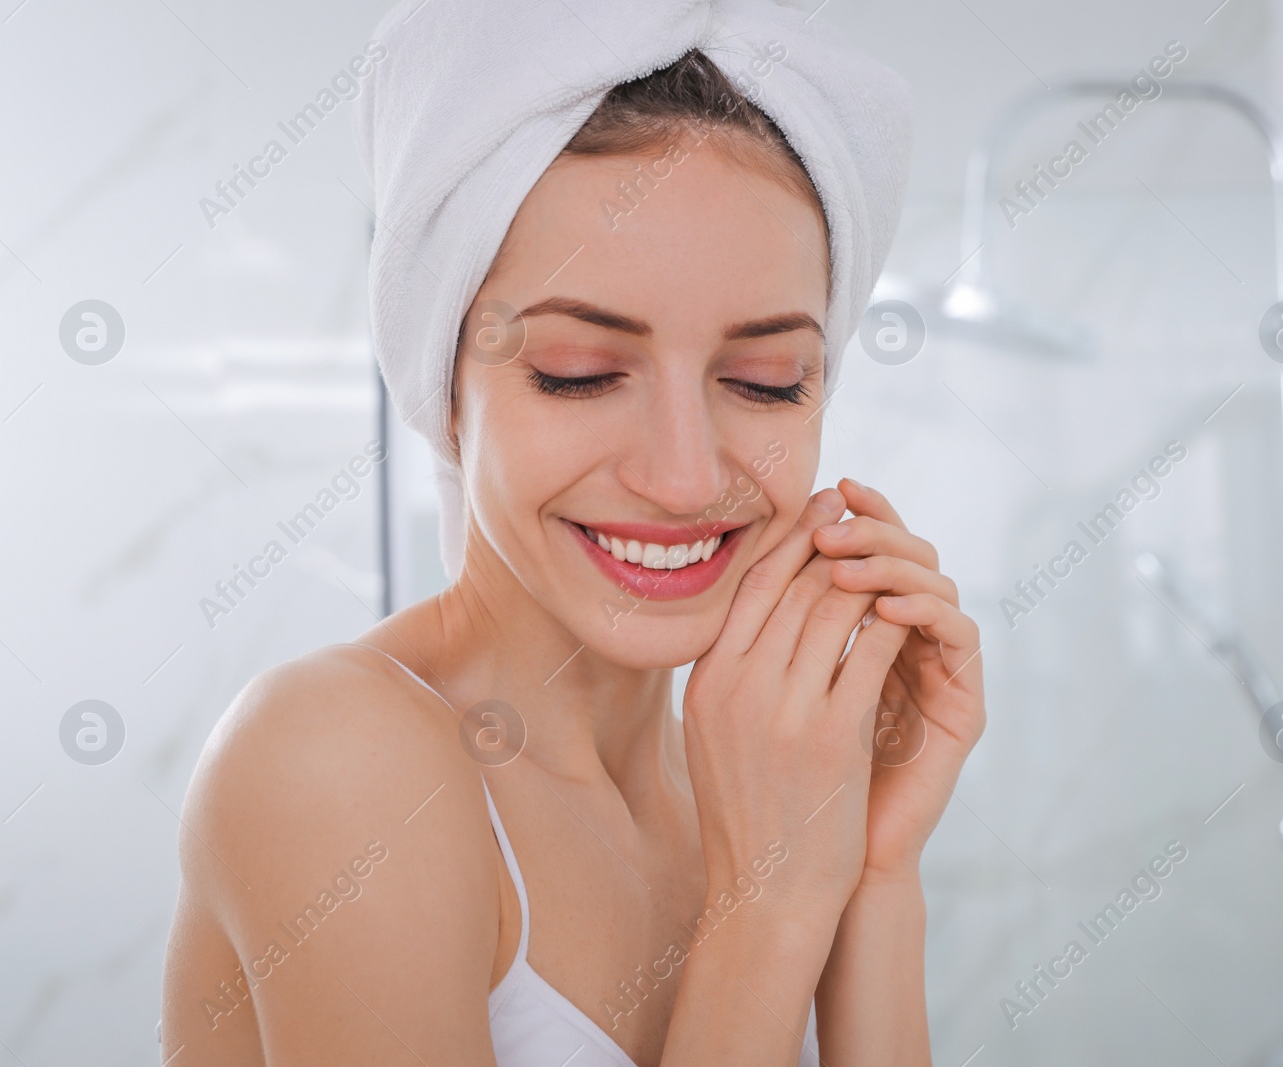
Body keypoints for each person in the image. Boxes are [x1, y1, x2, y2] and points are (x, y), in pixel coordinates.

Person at [160, 43, 985, 1067]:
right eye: (579, 372)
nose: (686, 477)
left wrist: (868, 868)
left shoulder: (750, 781)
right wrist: (768, 902)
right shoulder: (337, 757)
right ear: (444, 379)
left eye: (768, 381)